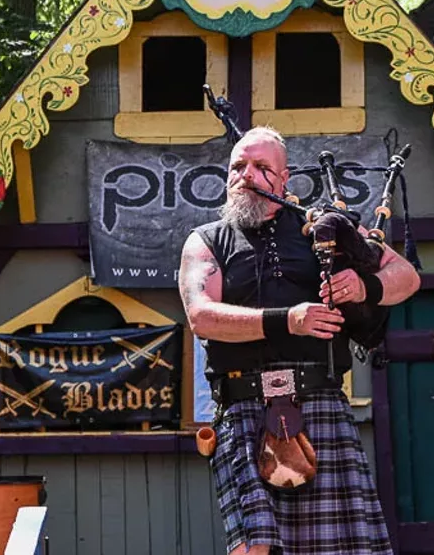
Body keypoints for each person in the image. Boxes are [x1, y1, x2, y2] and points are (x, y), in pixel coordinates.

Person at [178, 127, 421, 555]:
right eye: (238, 166)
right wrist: (288, 320)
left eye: (261, 167)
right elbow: (201, 317)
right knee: (254, 549)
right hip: (243, 408)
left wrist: (364, 287)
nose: (246, 176)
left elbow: (406, 277)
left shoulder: (322, 229)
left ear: (284, 178)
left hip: (319, 402)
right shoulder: (207, 241)